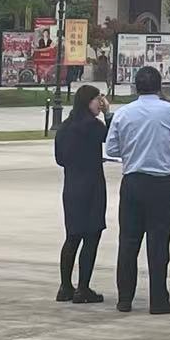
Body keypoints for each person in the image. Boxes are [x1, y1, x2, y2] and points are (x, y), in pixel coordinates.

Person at [105, 64, 170, 314]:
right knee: (158, 244)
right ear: (160, 87)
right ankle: (158, 299)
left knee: (128, 242)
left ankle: (124, 298)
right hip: (160, 183)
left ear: (136, 87)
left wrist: (133, 150)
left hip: (133, 182)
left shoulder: (123, 113)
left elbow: (112, 149)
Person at [53, 84, 110, 304]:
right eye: (98, 100)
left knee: (73, 236)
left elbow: (60, 159)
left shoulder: (65, 126)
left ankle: (65, 286)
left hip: (72, 186)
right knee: (91, 236)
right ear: (88, 102)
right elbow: (111, 139)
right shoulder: (93, 126)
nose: (100, 104)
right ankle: (83, 287)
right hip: (92, 186)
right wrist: (108, 114)